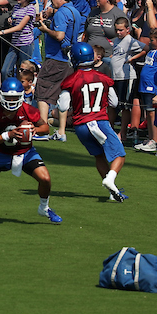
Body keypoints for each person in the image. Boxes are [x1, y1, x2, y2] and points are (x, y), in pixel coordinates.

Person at [0, 78, 60, 224]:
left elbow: (45, 128)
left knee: (45, 178)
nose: (12, 100)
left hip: (26, 152)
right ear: (2, 96)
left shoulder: (28, 110)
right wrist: (8, 135)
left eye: (14, 97)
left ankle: (44, 208)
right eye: (8, 97)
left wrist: (35, 129)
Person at [58, 42, 128, 202]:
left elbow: (63, 106)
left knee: (99, 156)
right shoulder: (103, 78)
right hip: (99, 122)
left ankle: (112, 191)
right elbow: (114, 102)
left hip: (81, 126)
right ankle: (110, 179)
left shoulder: (71, 80)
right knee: (120, 155)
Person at [34, 0, 83, 139]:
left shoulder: (62, 13)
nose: (50, 0)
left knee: (42, 92)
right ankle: (61, 131)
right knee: (63, 96)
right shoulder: (74, 11)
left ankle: (42, 129)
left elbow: (60, 36)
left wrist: (45, 29)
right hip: (69, 61)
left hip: (56, 59)